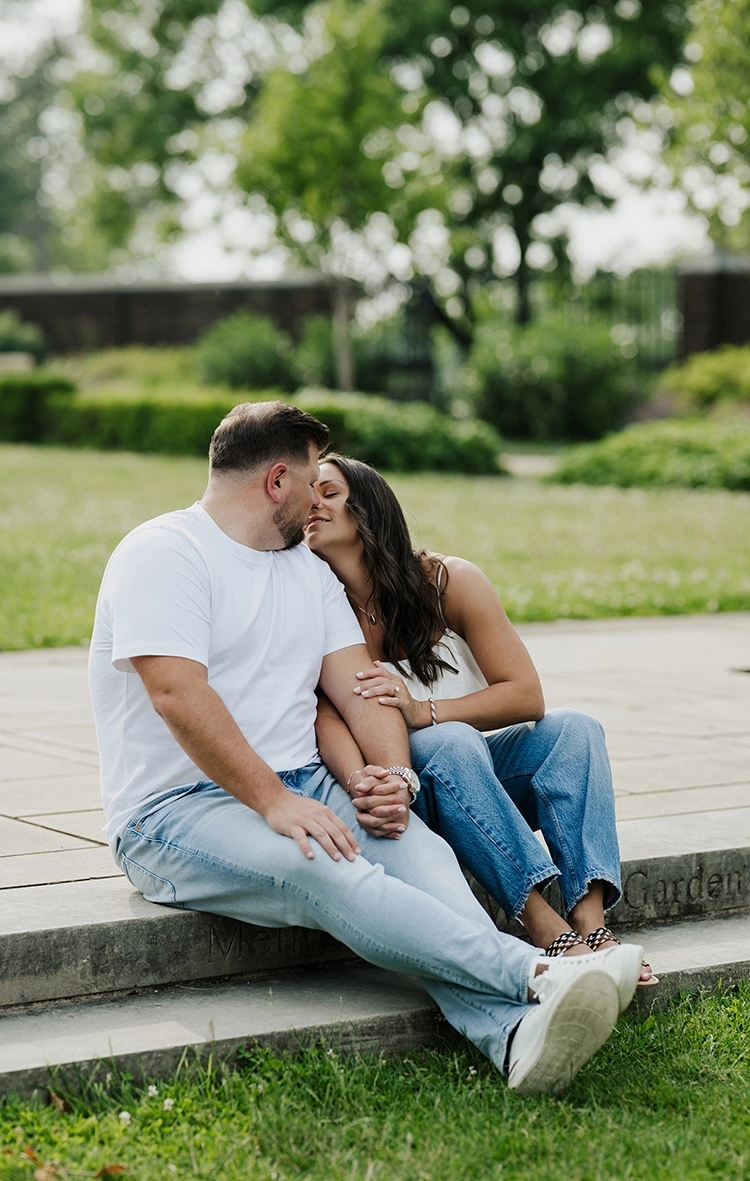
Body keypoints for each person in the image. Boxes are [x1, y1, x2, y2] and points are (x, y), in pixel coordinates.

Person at [88, 399, 642, 1094]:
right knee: (326, 870)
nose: (318, 500)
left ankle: (514, 1039)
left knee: (431, 871)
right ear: (277, 480)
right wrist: (273, 801)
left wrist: (392, 779)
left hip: (311, 789)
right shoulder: (163, 551)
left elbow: (362, 691)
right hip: (172, 813)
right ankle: (539, 972)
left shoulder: (306, 572)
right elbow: (177, 694)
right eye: (314, 478)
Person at [304, 453, 649, 991]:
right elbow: (323, 716)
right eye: (307, 496)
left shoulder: (446, 581)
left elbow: (526, 695)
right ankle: (543, 925)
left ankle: (592, 924)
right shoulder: (315, 605)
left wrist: (423, 712)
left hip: (474, 786)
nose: (312, 505)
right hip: (407, 794)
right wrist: (363, 784)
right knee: (452, 742)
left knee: (576, 730)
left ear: (368, 506)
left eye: (327, 492)